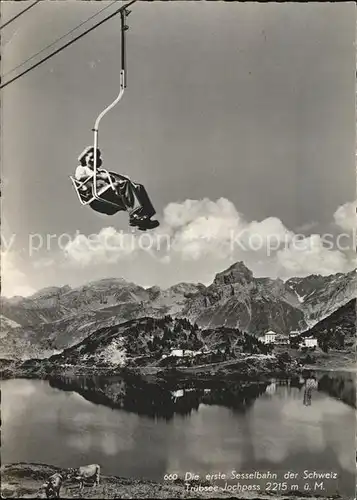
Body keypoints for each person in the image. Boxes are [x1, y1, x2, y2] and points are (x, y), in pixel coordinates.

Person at [75, 146, 159, 230]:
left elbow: (110, 180)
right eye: (91, 157)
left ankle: (145, 218)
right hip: (96, 194)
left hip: (108, 194)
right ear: (85, 158)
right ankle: (135, 215)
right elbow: (79, 177)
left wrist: (114, 179)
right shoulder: (82, 168)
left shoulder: (100, 171)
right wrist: (100, 176)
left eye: (96, 158)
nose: (93, 160)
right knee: (124, 184)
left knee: (138, 187)